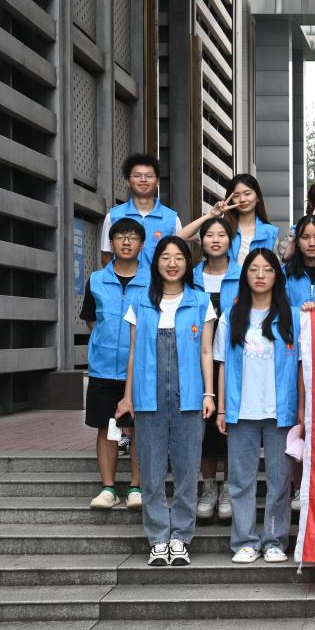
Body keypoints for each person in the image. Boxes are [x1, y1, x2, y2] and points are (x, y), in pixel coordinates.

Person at [116, 236, 217, 567]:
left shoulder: (201, 301)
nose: (172, 263)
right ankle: (158, 538)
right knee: (152, 470)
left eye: (179, 257)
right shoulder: (141, 301)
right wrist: (128, 397)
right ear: (156, 262)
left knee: (187, 470)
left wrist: (208, 394)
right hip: (148, 395)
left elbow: (206, 352)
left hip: (190, 395)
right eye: (165, 257)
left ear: (188, 263)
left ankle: (181, 537)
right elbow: (133, 353)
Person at [213, 249, 303, 564]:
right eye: (254, 269)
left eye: (267, 269)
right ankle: (245, 541)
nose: (260, 275)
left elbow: (302, 366)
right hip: (241, 411)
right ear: (245, 275)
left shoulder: (293, 317)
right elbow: (222, 364)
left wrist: (301, 411)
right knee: (241, 482)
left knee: (280, 482)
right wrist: (222, 409)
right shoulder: (231, 316)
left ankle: (275, 541)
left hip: (281, 413)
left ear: (277, 275)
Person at [80, 218, 148, 510]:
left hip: (142, 367)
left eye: (133, 237)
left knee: (141, 428)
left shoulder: (152, 280)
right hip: (104, 368)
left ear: (142, 244)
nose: (126, 241)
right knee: (105, 428)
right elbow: (91, 319)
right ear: (112, 243)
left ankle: (136, 486)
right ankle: (108, 488)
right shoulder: (96, 280)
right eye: (120, 236)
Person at [190, 217, 241, 521]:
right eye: (209, 235)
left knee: (231, 423)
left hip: (234, 357)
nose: (216, 239)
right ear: (202, 241)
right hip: (197, 358)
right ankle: (208, 487)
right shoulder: (191, 276)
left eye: (222, 234)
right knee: (205, 424)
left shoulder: (242, 274)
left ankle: (228, 488)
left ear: (230, 241)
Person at [178, 174, 280, 266]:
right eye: (236, 195)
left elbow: (276, 270)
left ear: (257, 197)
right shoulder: (221, 228)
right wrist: (211, 215)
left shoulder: (271, 232)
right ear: (231, 200)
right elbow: (181, 237)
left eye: (247, 194)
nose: (242, 199)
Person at [101, 154, 181, 266]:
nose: (143, 180)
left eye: (149, 176)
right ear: (128, 181)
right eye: (137, 175)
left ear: (157, 181)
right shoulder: (113, 216)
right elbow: (106, 258)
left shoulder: (172, 219)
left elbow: (178, 258)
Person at [284, 215, 315, 306]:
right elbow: (279, 308)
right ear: (297, 241)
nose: (312, 243)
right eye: (305, 237)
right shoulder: (285, 273)